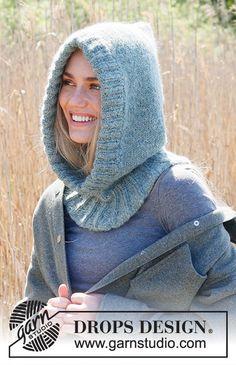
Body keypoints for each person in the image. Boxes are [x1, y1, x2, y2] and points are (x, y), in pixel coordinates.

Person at [24, 22, 236, 335]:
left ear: (134, 99)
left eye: (95, 86)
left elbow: (228, 320)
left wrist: (113, 316)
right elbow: (27, 325)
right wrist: (45, 322)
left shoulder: (175, 190)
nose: (74, 100)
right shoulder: (54, 204)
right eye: (68, 82)